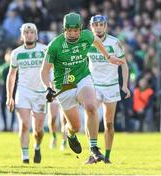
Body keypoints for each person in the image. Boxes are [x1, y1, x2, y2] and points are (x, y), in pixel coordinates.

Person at [41, 12, 124, 163]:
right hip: (64, 86)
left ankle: (93, 148)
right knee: (75, 126)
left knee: (91, 107)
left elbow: (97, 41)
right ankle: (70, 134)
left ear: (80, 29)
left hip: (83, 78)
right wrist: (48, 87)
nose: (72, 34)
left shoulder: (87, 36)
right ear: (64, 29)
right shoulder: (55, 45)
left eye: (75, 30)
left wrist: (108, 57)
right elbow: (44, 71)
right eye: (69, 30)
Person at [88, 15, 130, 163]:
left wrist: (124, 85)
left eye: (101, 24)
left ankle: (107, 157)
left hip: (111, 86)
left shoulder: (114, 42)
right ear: (91, 26)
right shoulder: (87, 41)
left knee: (109, 123)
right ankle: (92, 153)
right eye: (95, 25)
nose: (98, 27)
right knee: (91, 114)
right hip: (94, 85)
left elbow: (124, 64)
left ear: (105, 26)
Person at [6, 23, 47, 164]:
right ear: (22, 36)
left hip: (41, 93)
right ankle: (25, 157)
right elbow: (11, 75)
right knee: (24, 124)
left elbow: (52, 69)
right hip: (23, 91)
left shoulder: (44, 50)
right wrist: (9, 96)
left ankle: (37, 147)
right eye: (26, 33)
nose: (29, 35)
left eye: (31, 32)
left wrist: (52, 87)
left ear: (36, 34)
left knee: (38, 130)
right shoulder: (16, 53)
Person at [0, 48, 16, 131]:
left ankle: (11, 127)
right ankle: (5, 126)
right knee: (2, 108)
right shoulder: (3, 67)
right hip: (3, 90)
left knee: (12, 109)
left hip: (13, 90)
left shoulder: (12, 67)